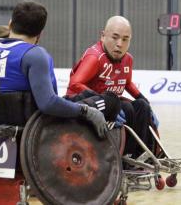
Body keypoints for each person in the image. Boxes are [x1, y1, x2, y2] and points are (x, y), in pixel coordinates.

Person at [0, 0, 107, 138]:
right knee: (110, 101)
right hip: (31, 130)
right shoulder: (35, 55)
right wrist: (85, 111)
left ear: (10, 24)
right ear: (40, 34)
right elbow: (48, 103)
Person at [66, 15, 159, 159]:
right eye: (115, 37)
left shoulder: (128, 59)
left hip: (112, 103)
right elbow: (75, 83)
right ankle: (123, 157)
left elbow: (127, 83)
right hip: (84, 104)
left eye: (125, 39)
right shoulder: (95, 57)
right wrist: (101, 99)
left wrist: (144, 99)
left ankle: (140, 155)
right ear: (103, 36)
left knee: (142, 106)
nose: (119, 44)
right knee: (126, 108)